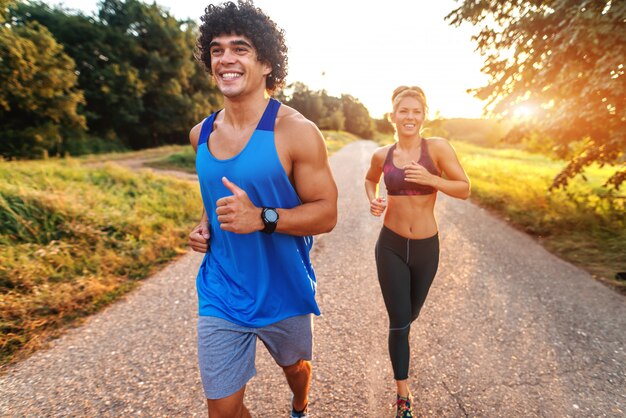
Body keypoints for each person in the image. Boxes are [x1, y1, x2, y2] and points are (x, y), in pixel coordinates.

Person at [188, 2, 338, 417]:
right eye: (217, 50)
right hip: (222, 291)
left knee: (296, 369)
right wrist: (204, 225)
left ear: (267, 62)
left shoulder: (297, 131)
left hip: (283, 291)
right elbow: (213, 196)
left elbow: (327, 213)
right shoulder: (200, 134)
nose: (226, 59)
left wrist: (263, 217)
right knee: (221, 411)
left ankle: (300, 404)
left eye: (240, 48)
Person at [364, 86, 470, 417]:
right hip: (391, 245)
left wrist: (431, 179)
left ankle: (403, 339)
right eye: (403, 111)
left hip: (426, 247)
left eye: (416, 111)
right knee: (398, 321)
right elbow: (371, 180)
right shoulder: (382, 155)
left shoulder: (437, 149)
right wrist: (374, 200)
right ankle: (403, 397)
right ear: (392, 116)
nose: (410, 117)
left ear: (424, 116)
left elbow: (464, 189)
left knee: (410, 315)